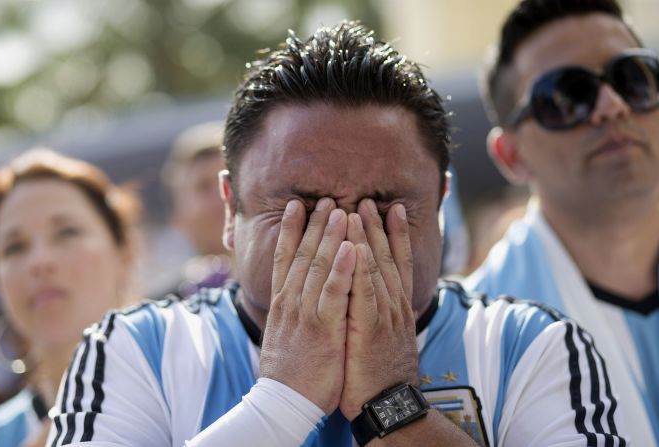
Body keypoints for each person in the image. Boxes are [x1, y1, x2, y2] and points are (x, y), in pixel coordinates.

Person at [47, 21, 626, 446]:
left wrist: (393, 406)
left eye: (385, 204)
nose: (345, 237)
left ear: (441, 202)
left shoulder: (529, 345)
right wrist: (284, 398)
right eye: (303, 205)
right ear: (232, 207)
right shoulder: (135, 350)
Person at [465, 0, 659, 444]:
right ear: (510, 156)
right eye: (567, 95)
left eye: (633, 79)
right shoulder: (479, 339)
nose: (612, 107)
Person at [0, 149, 141, 446]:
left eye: (67, 232)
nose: (40, 261)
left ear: (125, 249)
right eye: (14, 247)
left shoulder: (218, 393)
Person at [161, 121, 233, 297]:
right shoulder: (165, 316)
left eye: (230, 179)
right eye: (204, 186)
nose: (223, 196)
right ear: (178, 219)